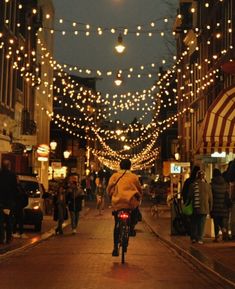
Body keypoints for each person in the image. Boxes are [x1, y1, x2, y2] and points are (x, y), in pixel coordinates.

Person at [106, 159, 142, 256]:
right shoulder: (134, 177)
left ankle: (115, 247)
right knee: (135, 212)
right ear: (130, 166)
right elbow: (139, 188)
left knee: (117, 223)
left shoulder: (114, 176)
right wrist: (139, 196)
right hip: (130, 203)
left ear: (120, 166)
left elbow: (109, 188)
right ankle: (131, 229)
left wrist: (111, 196)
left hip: (118, 203)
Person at [188, 170, 213, 244]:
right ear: (204, 177)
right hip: (204, 208)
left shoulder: (193, 185)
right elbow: (210, 198)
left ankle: (193, 238)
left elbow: (189, 196)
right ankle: (200, 239)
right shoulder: (208, 186)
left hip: (195, 207)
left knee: (194, 223)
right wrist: (210, 208)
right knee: (201, 224)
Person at [0, 160, 18, 244]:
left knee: (0, 221)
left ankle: (1, 238)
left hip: (1, 201)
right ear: (9, 166)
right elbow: (15, 189)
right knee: (9, 221)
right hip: (9, 202)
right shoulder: (12, 175)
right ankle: (8, 238)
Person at [210, 168, 230, 242]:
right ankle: (224, 229)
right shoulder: (225, 184)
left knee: (216, 222)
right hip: (224, 207)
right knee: (222, 221)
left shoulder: (212, 185)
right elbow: (227, 195)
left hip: (215, 207)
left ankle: (217, 237)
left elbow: (211, 196)